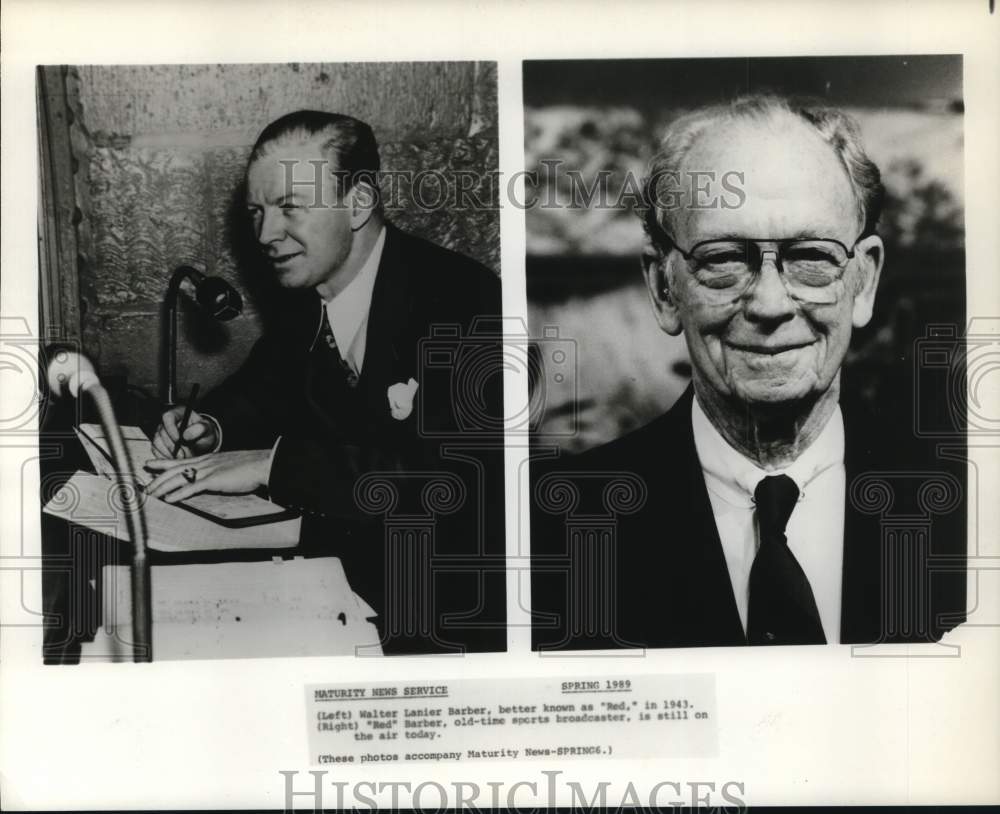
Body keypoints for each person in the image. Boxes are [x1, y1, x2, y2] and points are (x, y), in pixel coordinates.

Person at [531, 95, 966, 650]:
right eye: (723, 259)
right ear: (665, 289)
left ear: (864, 282)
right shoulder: (549, 534)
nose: (768, 304)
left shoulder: (970, 510)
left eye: (810, 254)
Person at [144, 110, 505, 654]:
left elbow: (445, 484)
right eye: (256, 212)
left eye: (289, 207)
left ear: (358, 203)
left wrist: (271, 464)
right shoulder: (309, 293)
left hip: (449, 609)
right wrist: (211, 426)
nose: (266, 235)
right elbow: (265, 386)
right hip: (345, 581)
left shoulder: (461, 300)